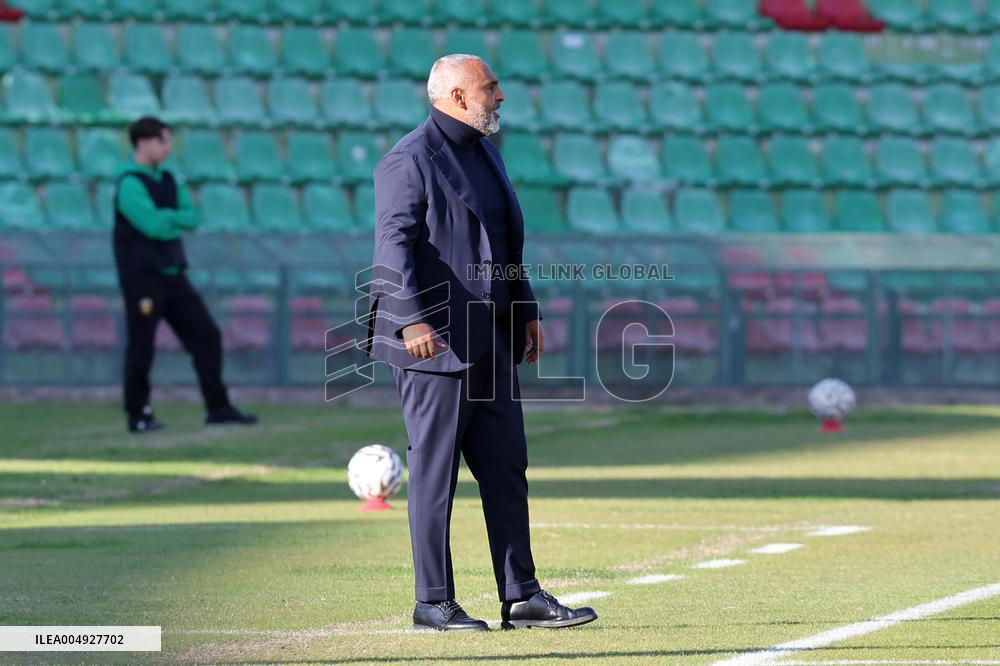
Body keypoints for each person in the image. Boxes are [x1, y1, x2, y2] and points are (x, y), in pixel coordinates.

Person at [366, 55, 598, 632]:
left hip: (491, 338)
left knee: (505, 468)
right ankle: (433, 602)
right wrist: (410, 321)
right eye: (490, 87)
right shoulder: (408, 159)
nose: (500, 97)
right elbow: (391, 246)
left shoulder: (486, 152)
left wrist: (526, 310)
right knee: (435, 473)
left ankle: (520, 595)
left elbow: (502, 245)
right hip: (434, 342)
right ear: (456, 96)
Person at [114, 116, 258, 433]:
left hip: (173, 275)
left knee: (207, 336)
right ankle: (138, 414)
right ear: (143, 142)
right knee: (142, 346)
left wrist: (167, 218)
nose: (167, 148)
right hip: (143, 278)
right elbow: (152, 225)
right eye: (162, 141)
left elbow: (192, 217)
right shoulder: (129, 182)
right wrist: (171, 219)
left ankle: (218, 407)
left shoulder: (168, 179)